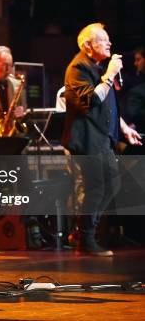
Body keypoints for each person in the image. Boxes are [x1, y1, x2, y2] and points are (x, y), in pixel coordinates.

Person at [62, 23, 141, 256]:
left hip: (102, 137)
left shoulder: (96, 66)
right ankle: (85, 240)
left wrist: (124, 128)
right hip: (87, 140)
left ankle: (83, 231)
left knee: (112, 184)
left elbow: (108, 106)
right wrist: (109, 76)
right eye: (103, 40)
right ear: (88, 45)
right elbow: (92, 101)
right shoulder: (77, 68)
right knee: (96, 187)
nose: (109, 43)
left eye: (108, 39)